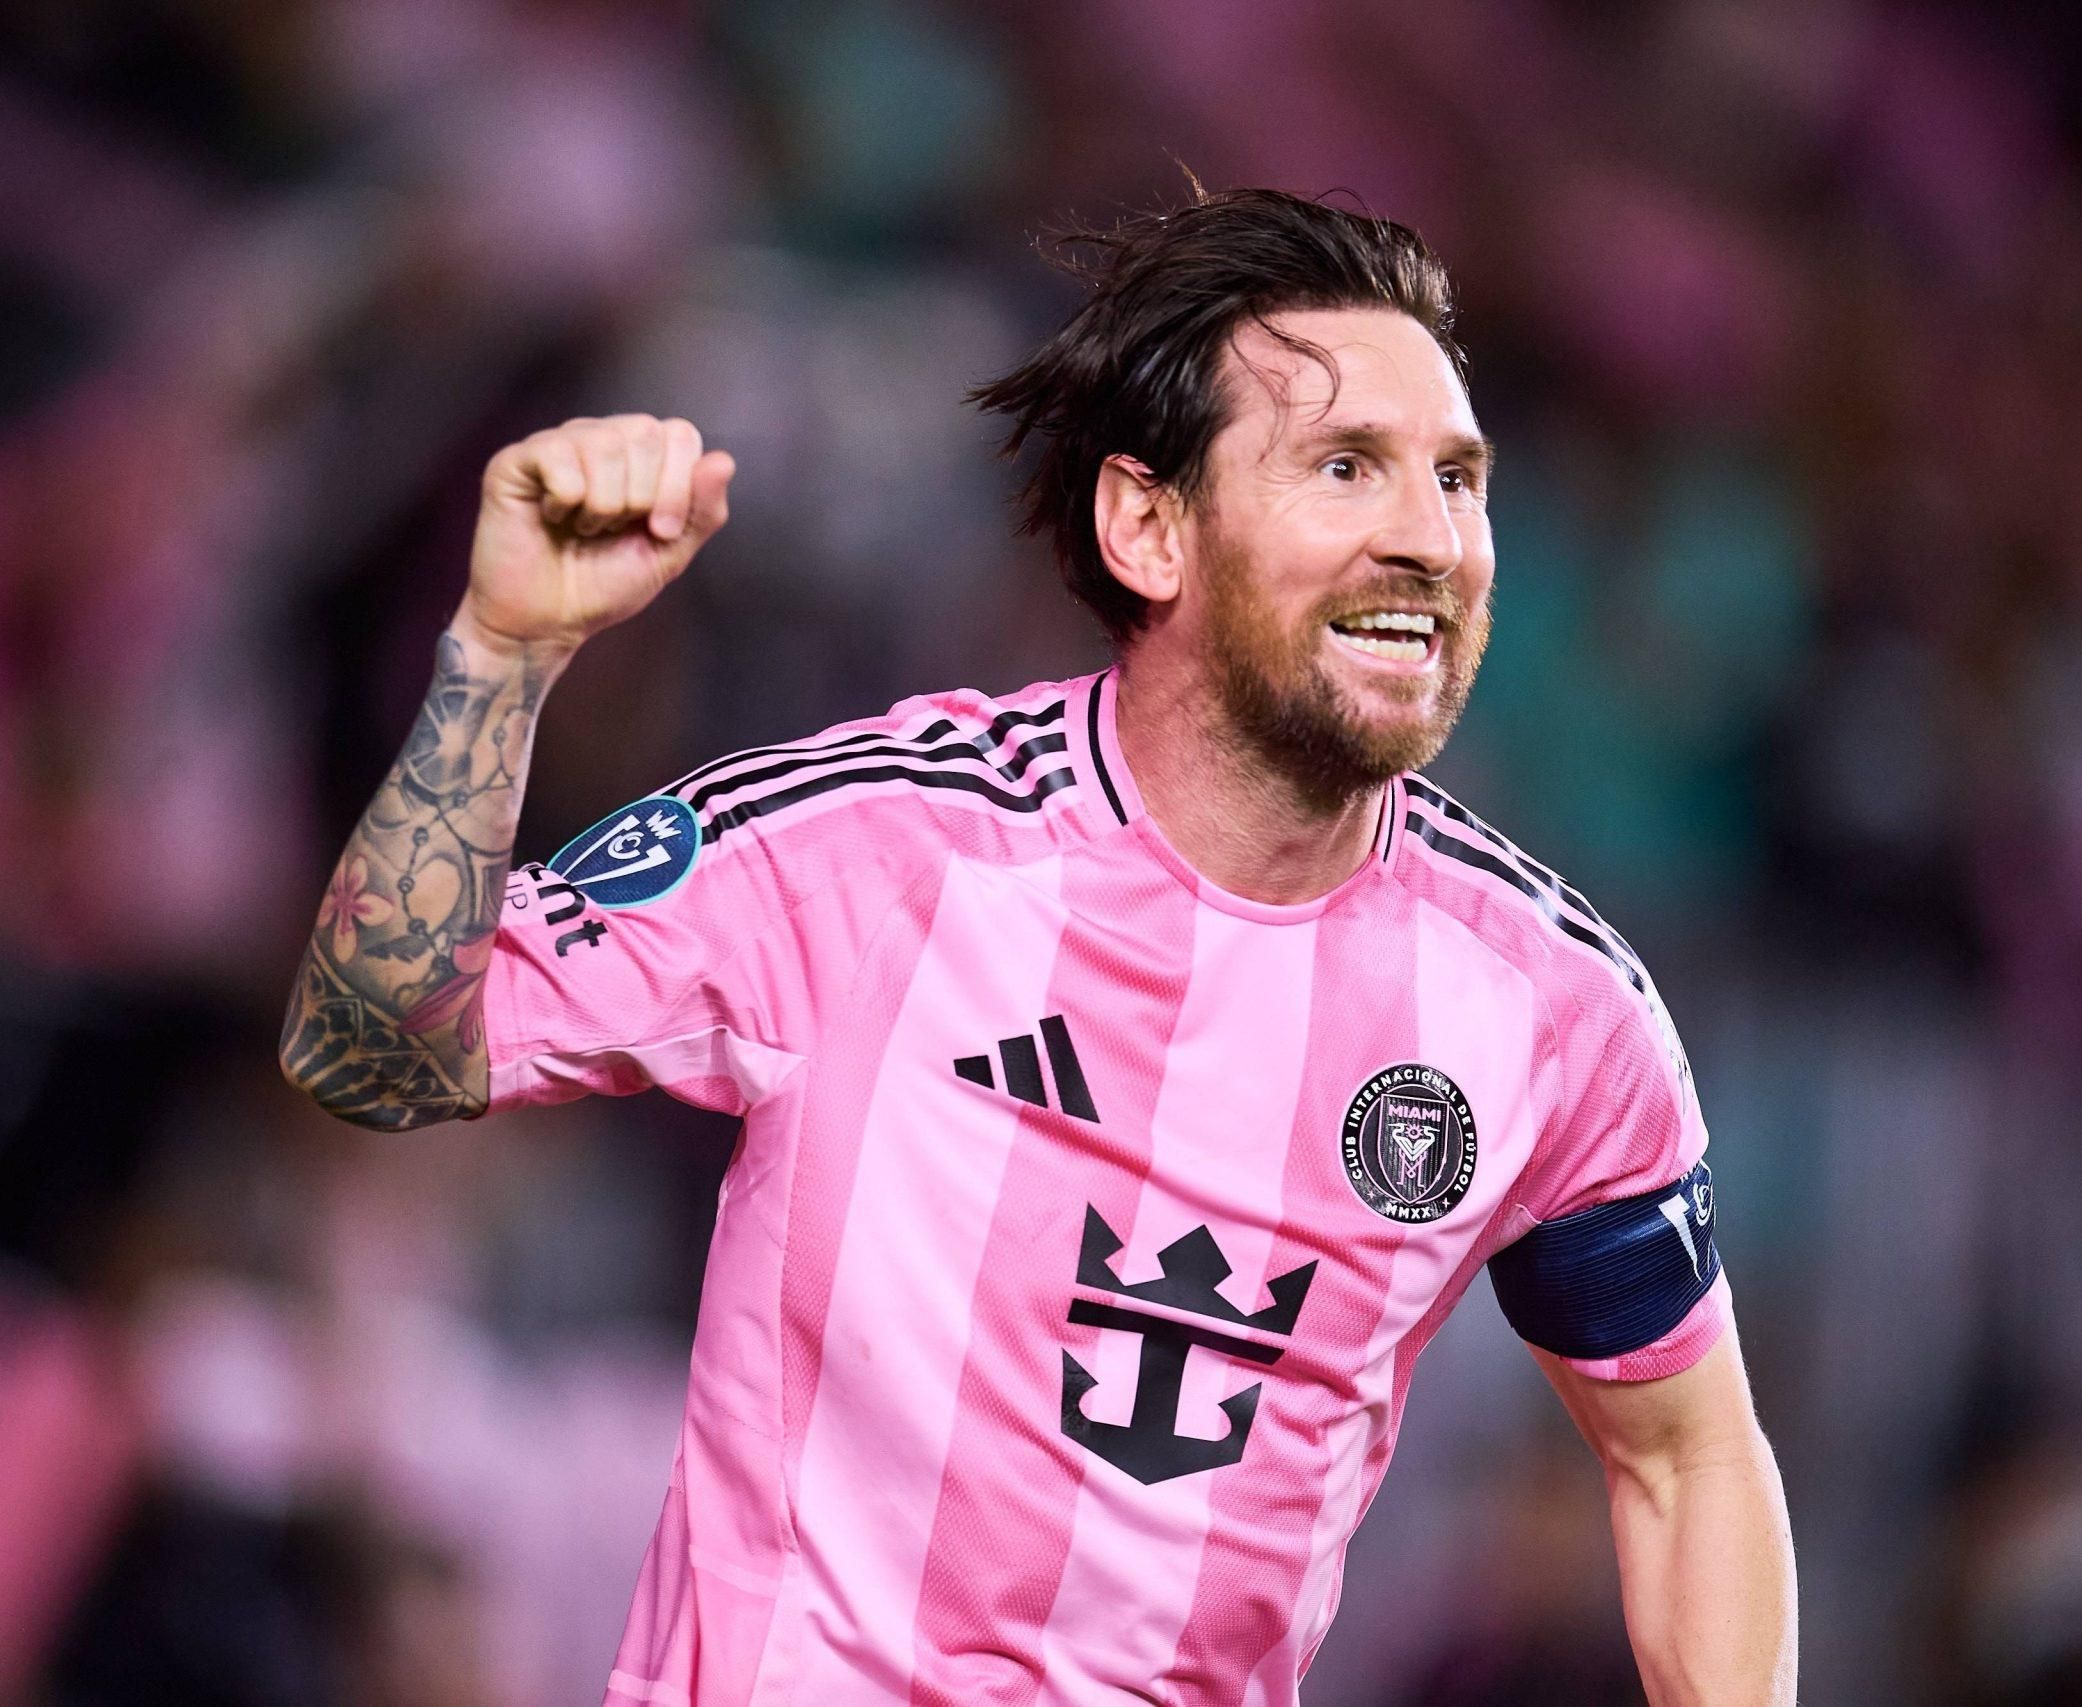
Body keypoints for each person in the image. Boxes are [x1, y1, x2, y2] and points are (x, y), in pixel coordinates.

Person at [279, 187, 1797, 1707]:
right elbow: (372, 1047)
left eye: (1457, 483)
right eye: (1347, 469)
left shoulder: (1552, 1012)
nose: (1430, 541)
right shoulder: (869, 854)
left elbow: (1689, 1461)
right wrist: (501, 655)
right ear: (1148, 525)